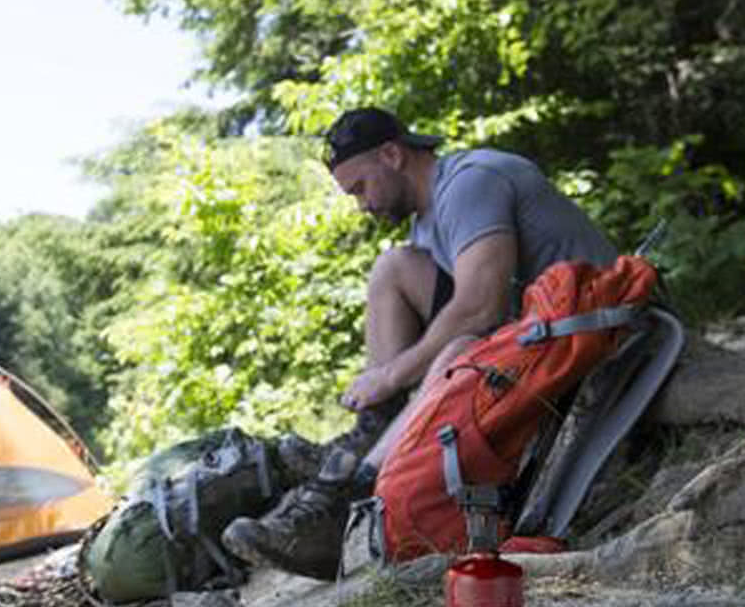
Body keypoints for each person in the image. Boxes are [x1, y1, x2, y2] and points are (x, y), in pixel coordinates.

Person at [222, 106, 618, 578]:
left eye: (360, 188)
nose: (361, 205)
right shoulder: (425, 222)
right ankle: (360, 448)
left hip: (597, 331)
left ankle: (351, 498)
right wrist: (388, 384)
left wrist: (389, 375)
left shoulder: (471, 183)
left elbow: (479, 308)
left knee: (458, 349)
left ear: (392, 154)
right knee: (393, 267)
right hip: (536, 336)